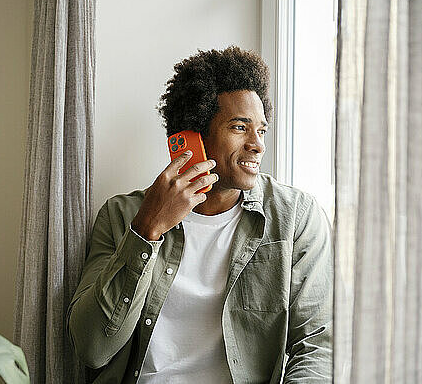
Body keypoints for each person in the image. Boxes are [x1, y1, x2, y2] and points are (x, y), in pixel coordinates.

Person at [67, 46, 332, 383]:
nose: (258, 144)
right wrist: (146, 230)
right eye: (240, 127)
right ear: (193, 138)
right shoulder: (122, 216)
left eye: (261, 130)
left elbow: (317, 347)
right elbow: (92, 347)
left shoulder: (296, 218)